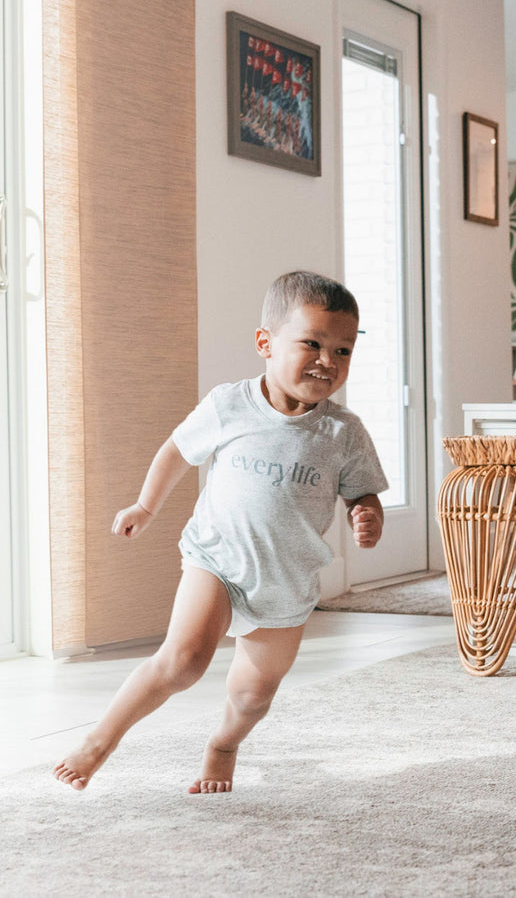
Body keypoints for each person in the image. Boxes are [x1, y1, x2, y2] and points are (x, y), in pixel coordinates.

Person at [53, 271, 388, 792]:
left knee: (254, 695)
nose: (328, 360)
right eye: (312, 343)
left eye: (343, 350)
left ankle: (224, 744)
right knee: (183, 662)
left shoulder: (344, 432)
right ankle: (100, 740)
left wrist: (367, 514)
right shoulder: (229, 405)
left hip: (287, 581)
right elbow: (176, 452)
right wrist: (146, 505)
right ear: (265, 343)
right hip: (218, 560)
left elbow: (363, 491)